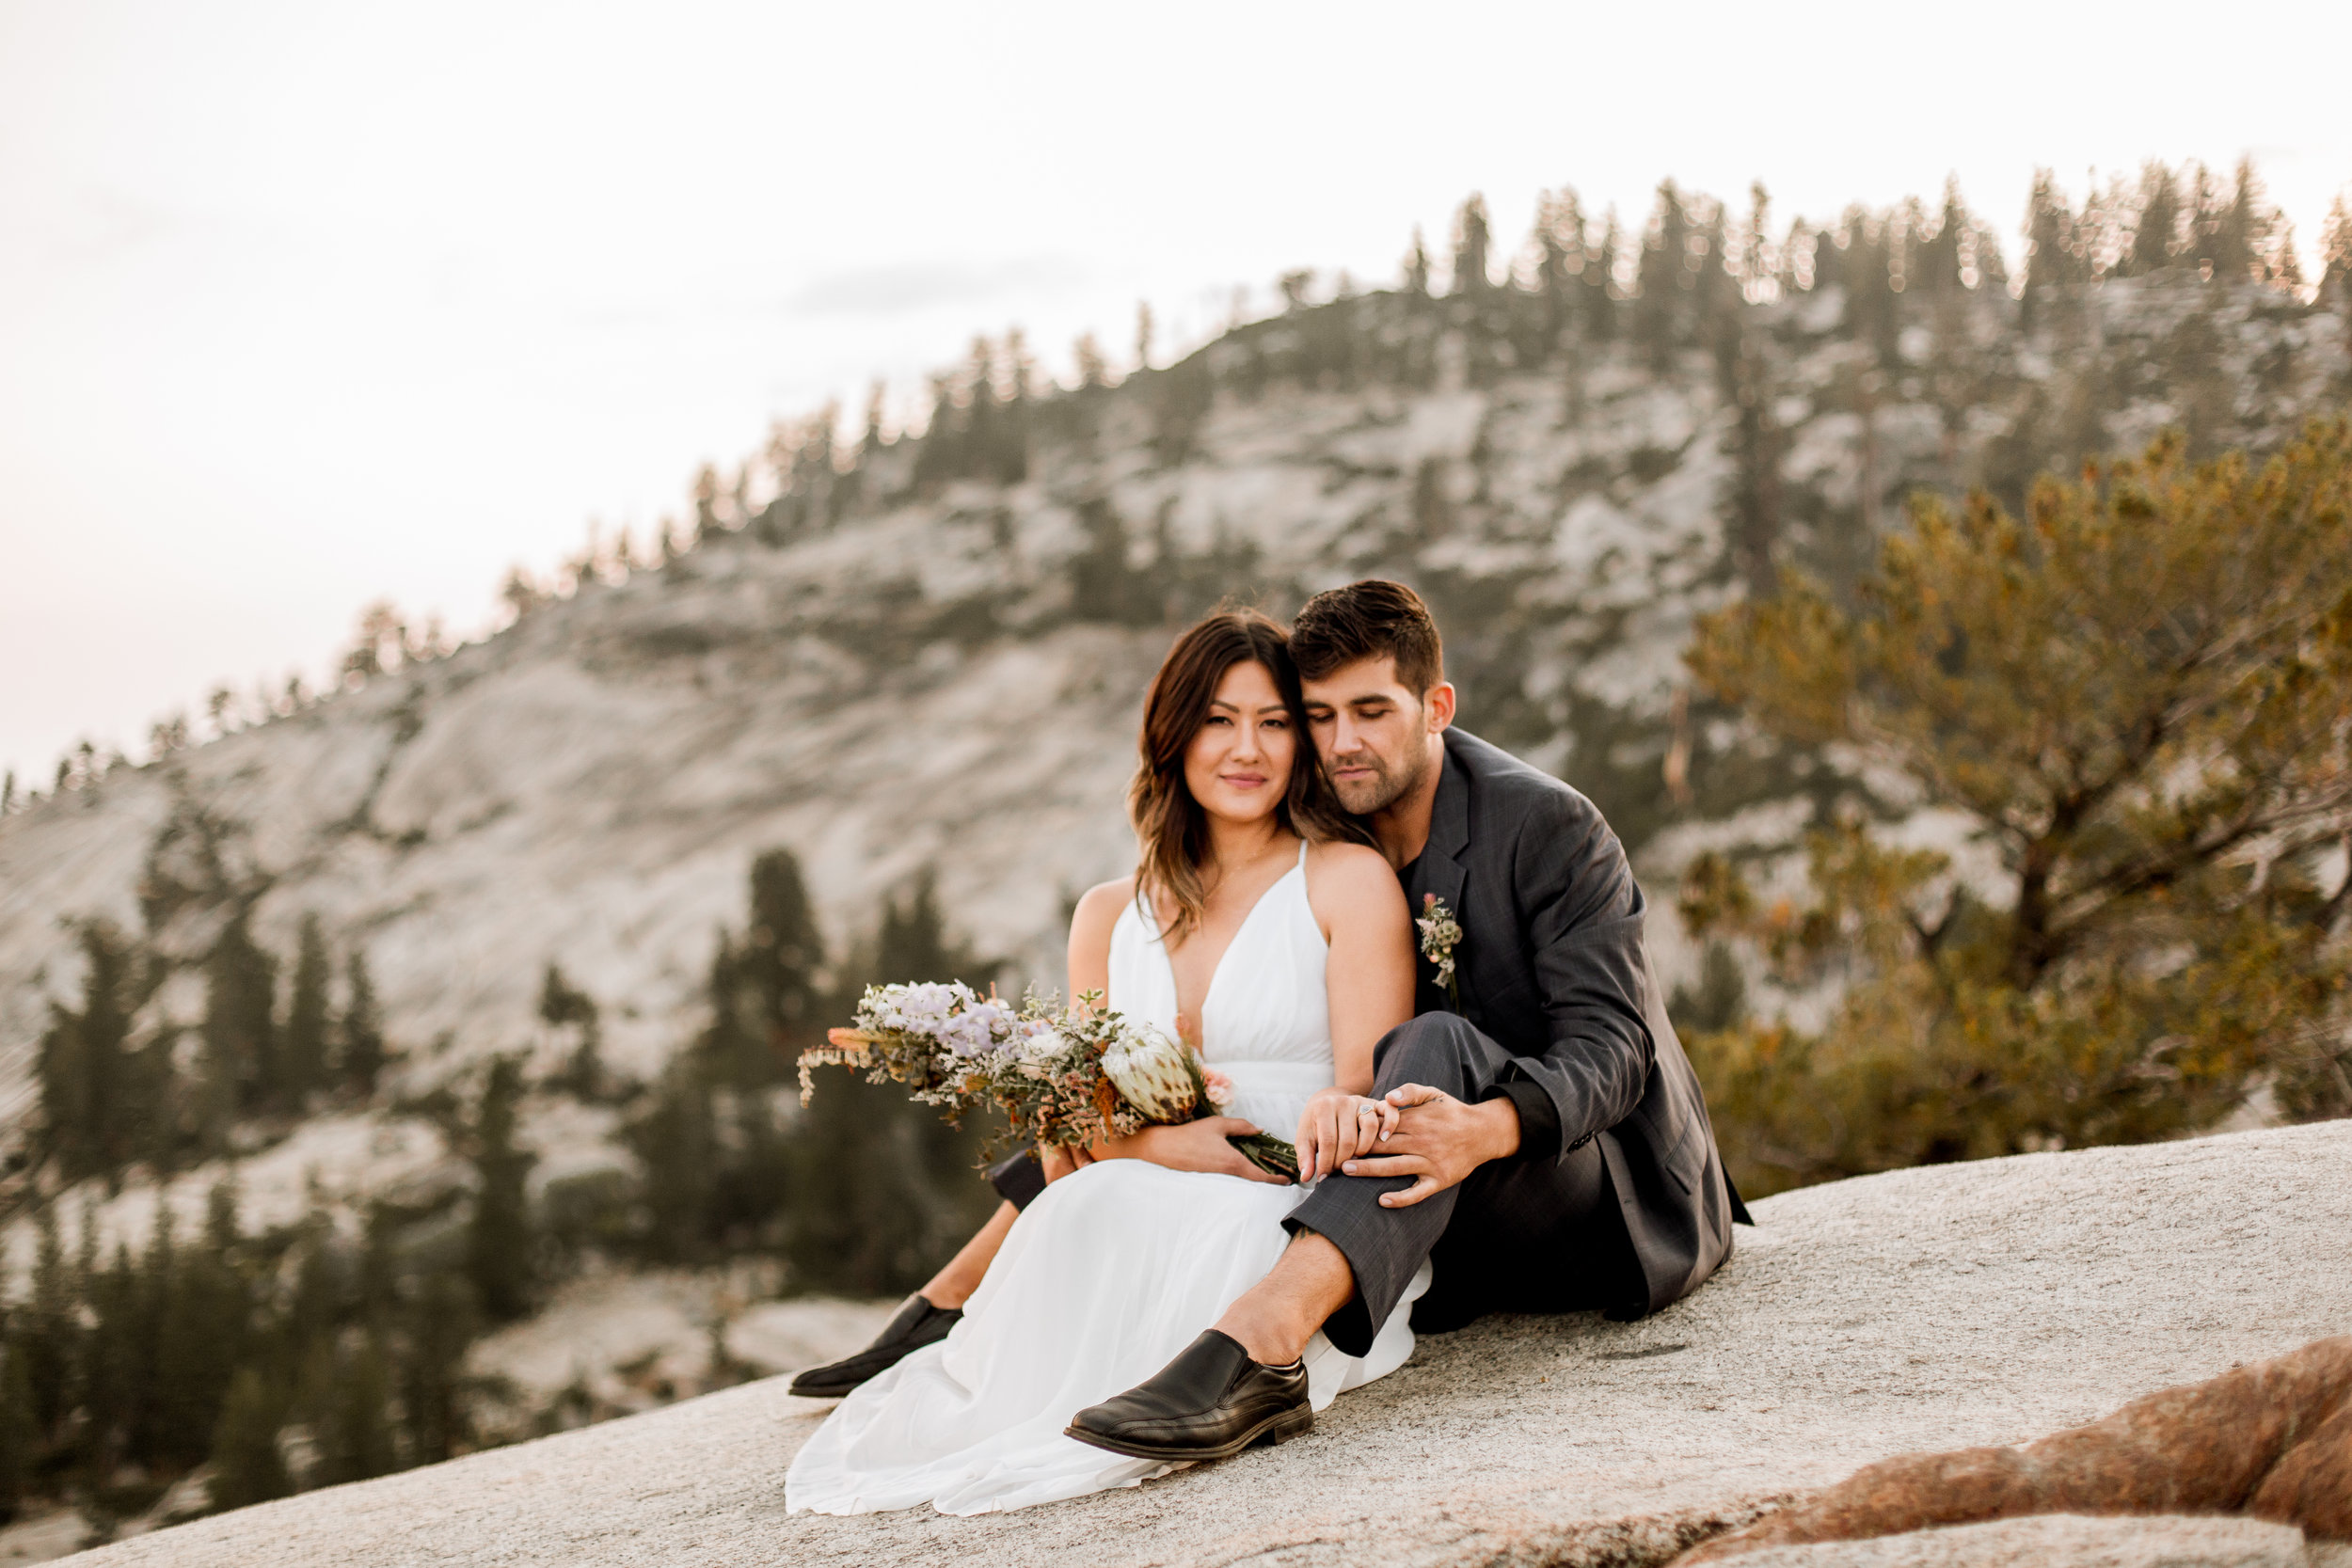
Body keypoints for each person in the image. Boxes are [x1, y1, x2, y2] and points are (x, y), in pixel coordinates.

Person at [789, 578, 1747, 1494]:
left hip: (1580, 1187)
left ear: (1435, 705)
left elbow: (1613, 1049)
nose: (1341, 742)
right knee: (1165, 1078)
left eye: (1369, 710)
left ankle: (1258, 1348)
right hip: (1417, 1203)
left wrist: (1485, 1126)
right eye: (1318, 715)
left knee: (1431, 1044)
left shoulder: (1546, 827)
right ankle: (956, 1298)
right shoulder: (1319, 830)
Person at [785, 609, 1429, 1515]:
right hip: (1137, 1180)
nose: (1246, 748)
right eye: (1217, 718)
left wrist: (1225, 1159)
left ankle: (1219, 1370)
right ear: (1172, 734)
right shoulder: (1106, 915)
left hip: (1294, 1198)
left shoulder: (1341, 878)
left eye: (1274, 722)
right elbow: (1068, 1144)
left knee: (1185, 1232)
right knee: (1080, 1207)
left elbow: (1362, 1095)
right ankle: (978, 1344)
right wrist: (1173, 1148)